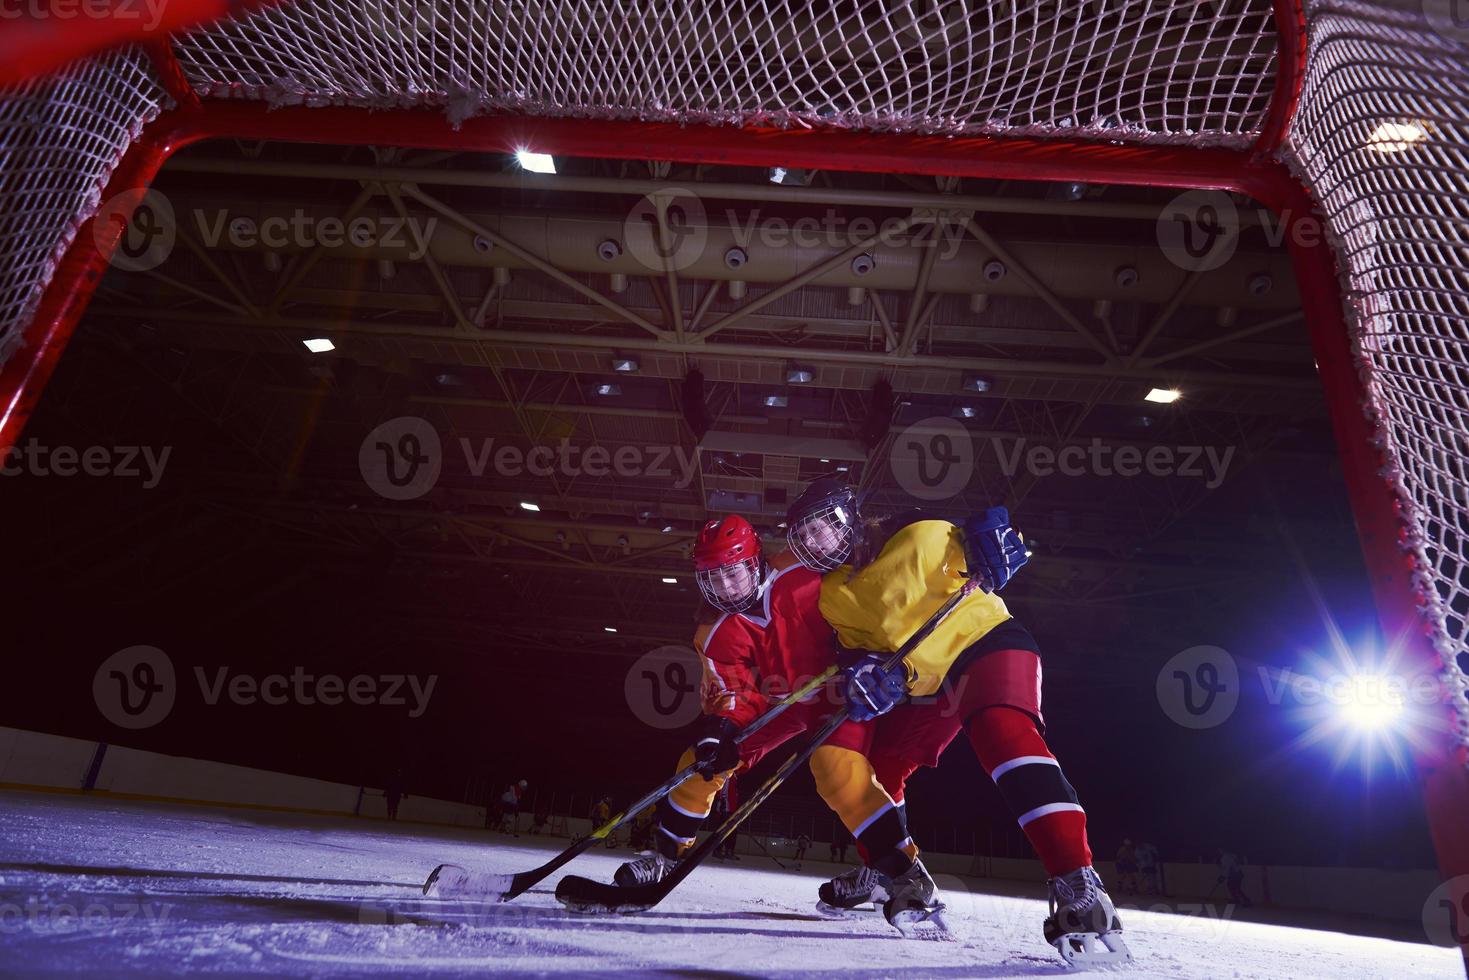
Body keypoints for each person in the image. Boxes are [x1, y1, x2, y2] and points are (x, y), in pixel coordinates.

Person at [786, 480, 1129, 964]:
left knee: (1004, 737)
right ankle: (892, 870)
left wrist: (997, 546)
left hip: (987, 643)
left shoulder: (921, 533)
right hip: (927, 683)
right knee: (879, 770)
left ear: (845, 519)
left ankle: (1079, 884)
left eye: (820, 528)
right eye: (805, 538)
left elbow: (987, 544)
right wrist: (869, 676)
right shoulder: (831, 597)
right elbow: (860, 654)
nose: (815, 543)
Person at [611, 514, 916, 919]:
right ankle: (666, 856)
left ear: (754, 561)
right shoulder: (714, 632)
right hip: (786, 700)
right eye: (712, 578)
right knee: (699, 764)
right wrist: (721, 730)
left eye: (732, 573)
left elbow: (867, 590)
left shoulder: (802, 570)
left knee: (838, 771)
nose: (724, 587)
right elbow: (733, 691)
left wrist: (867, 648)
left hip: (844, 691)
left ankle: (902, 872)